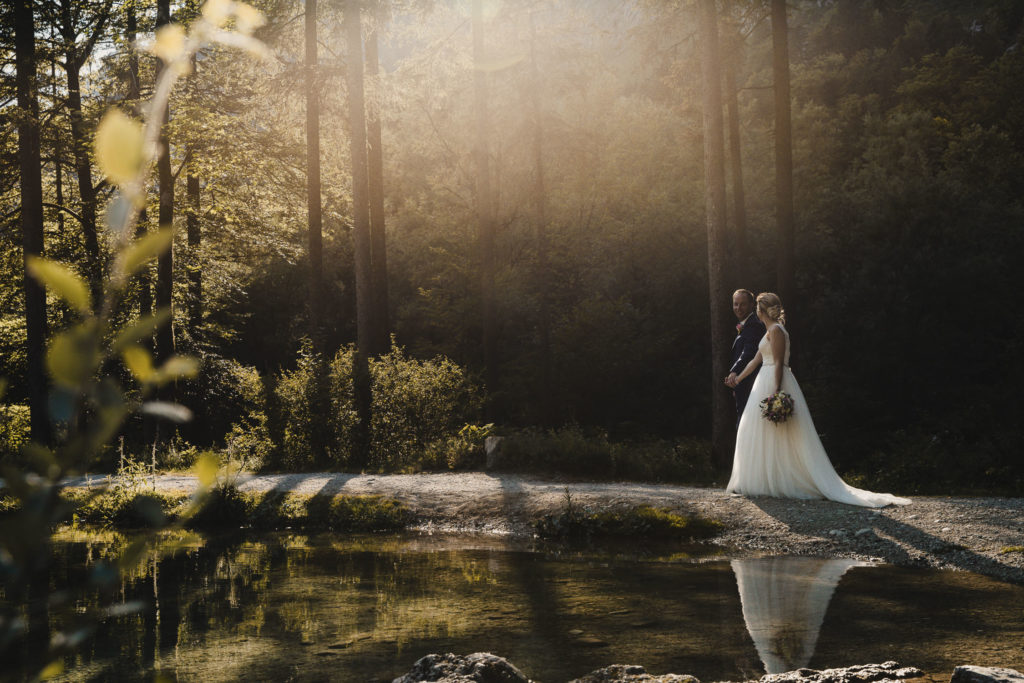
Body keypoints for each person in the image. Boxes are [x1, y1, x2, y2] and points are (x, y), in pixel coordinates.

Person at [724, 292, 910, 507]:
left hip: (774, 381)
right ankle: (765, 480)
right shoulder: (768, 332)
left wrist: (775, 392)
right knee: (755, 430)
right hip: (762, 382)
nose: (755, 311)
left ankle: (785, 481)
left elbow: (778, 363)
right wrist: (738, 379)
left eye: (757, 307)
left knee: (782, 434)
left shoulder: (776, 331)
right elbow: (755, 361)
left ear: (762, 310)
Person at [727, 289, 767, 427]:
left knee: (746, 424)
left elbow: (748, 352)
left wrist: (734, 372)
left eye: (743, 304)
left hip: (751, 382)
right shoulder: (746, 324)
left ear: (752, 305)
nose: (738, 308)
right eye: (735, 304)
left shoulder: (754, 324)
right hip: (743, 382)